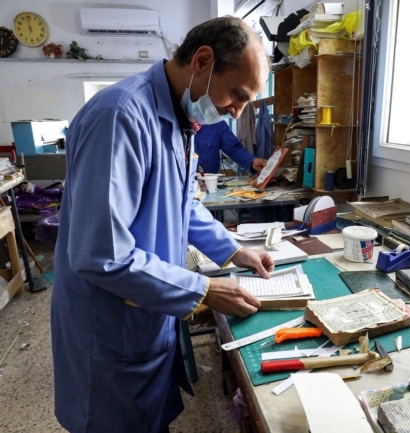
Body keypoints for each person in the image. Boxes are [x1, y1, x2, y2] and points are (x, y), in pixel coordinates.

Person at [50, 17, 274, 433]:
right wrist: (203, 288)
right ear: (202, 61)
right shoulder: (120, 117)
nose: (235, 112)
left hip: (146, 318)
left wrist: (232, 250)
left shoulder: (177, 116)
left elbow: (182, 202)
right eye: (237, 96)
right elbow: (100, 255)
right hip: (110, 329)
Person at [194, 120, 267, 174]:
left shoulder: (216, 123)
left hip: (209, 184)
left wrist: (252, 161)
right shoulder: (183, 124)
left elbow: (233, 148)